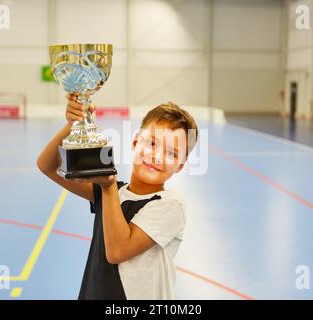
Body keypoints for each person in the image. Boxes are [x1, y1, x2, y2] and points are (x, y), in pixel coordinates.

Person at [37, 93, 198, 299]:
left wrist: (108, 186)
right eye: (152, 143)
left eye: (171, 153)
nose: (156, 156)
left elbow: (118, 251)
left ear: (180, 167)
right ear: (135, 142)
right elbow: (47, 166)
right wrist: (74, 124)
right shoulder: (113, 192)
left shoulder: (171, 205)